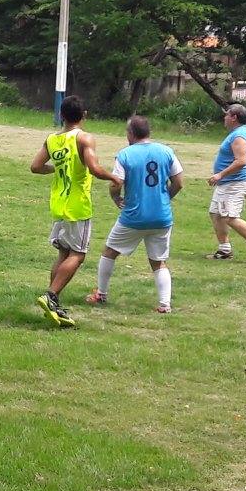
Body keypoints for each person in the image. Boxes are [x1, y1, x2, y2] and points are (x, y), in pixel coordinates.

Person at [29, 95, 121, 328]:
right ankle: (50, 296)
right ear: (84, 115)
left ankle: (53, 302)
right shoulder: (84, 138)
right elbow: (93, 168)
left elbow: (36, 167)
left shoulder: (51, 139)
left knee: (63, 254)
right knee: (78, 255)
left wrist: (57, 168)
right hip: (77, 206)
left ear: (62, 115)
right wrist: (113, 176)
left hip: (58, 204)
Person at [85, 115, 184, 314]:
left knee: (110, 251)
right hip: (162, 217)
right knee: (158, 261)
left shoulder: (125, 155)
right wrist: (165, 198)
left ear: (131, 134)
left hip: (134, 216)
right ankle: (165, 305)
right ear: (149, 132)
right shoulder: (167, 151)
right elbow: (179, 182)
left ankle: (101, 294)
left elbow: (117, 182)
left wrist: (115, 198)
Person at [208, 103, 246, 264]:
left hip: (235, 184)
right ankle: (225, 249)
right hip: (227, 183)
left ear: (234, 117)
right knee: (216, 214)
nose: (224, 117)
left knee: (230, 217)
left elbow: (242, 161)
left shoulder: (239, 136)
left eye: (227, 114)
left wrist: (220, 175)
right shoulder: (237, 133)